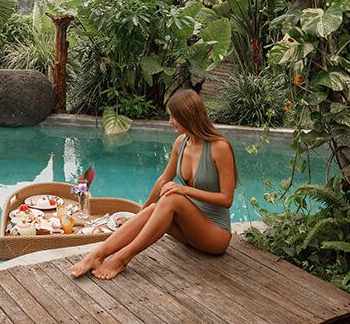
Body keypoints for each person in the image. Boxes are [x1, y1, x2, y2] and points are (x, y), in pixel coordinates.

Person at [70, 88, 235, 280]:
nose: (170, 122)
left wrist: (184, 189)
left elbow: (227, 199)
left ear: (187, 116)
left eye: (173, 117)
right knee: (154, 208)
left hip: (215, 236)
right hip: (188, 232)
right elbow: (163, 180)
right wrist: (143, 212)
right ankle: (96, 256)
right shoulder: (181, 143)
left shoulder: (219, 148)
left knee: (173, 197)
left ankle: (122, 258)